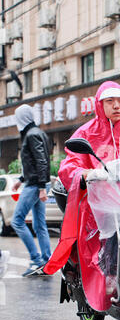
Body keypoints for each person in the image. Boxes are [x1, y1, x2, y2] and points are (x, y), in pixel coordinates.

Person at [41, 81, 120, 310]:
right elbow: (69, 166)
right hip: (98, 204)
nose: (116, 106)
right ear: (100, 104)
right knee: (104, 241)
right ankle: (106, 279)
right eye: (110, 101)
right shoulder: (86, 134)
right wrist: (84, 173)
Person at [11, 104, 52, 277]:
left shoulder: (31, 135)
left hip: (36, 185)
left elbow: (42, 161)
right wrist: (20, 180)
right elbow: (35, 162)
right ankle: (47, 261)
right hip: (37, 183)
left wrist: (41, 187)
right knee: (39, 224)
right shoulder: (38, 132)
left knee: (17, 221)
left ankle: (36, 260)